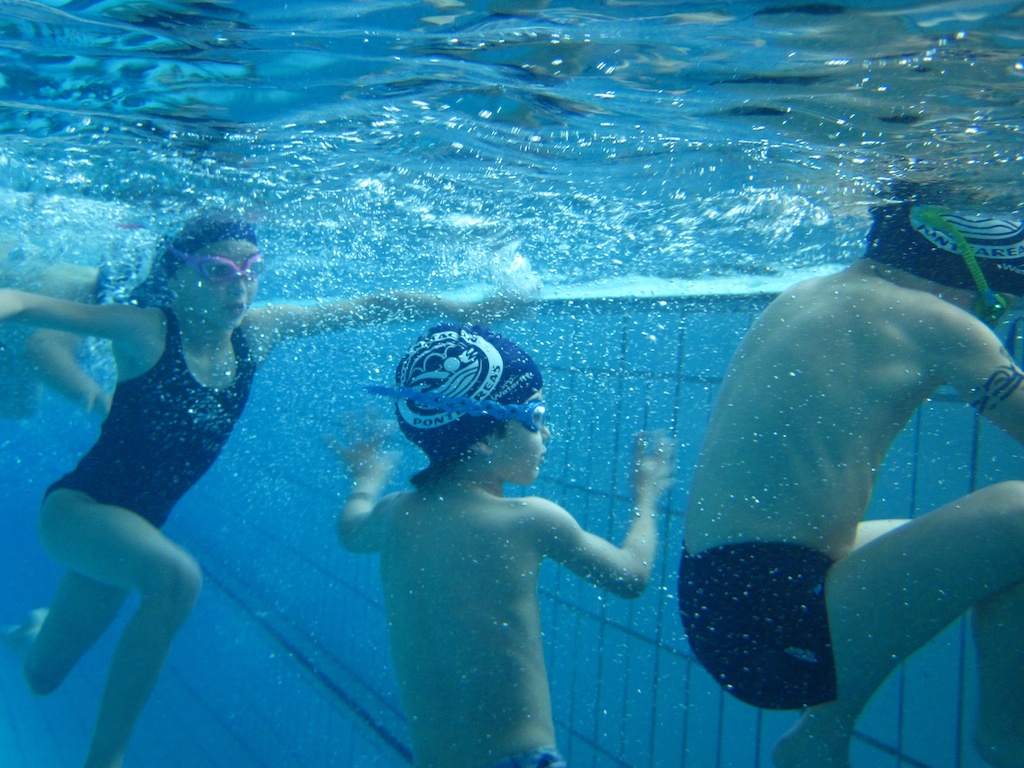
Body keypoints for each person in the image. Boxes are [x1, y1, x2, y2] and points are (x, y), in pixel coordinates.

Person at [0, 216, 512, 768]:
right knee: (175, 579)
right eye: (218, 271)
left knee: (43, 677)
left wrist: (457, 311)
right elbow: (23, 304)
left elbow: (366, 304)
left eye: (250, 270)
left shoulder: (259, 333)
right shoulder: (146, 329)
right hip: (80, 510)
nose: (239, 286)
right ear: (175, 278)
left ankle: (35, 628)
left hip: (131, 533)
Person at [678, 186, 1024, 768]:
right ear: (961, 255)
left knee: (993, 550)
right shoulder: (937, 320)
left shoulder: (807, 293)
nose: (988, 316)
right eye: (996, 304)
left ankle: (822, 737)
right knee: (1019, 512)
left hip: (725, 603)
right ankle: (1007, 738)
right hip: (779, 617)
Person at [330, 323, 675, 768]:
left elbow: (351, 530)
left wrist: (367, 478)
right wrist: (645, 497)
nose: (546, 433)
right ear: (485, 437)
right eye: (536, 417)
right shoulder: (529, 519)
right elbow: (631, 576)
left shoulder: (395, 514)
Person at [0, 242, 112, 419]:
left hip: (14, 287)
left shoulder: (110, 289)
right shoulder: (106, 304)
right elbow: (42, 347)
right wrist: (97, 397)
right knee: (19, 404)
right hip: (13, 296)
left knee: (20, 406)